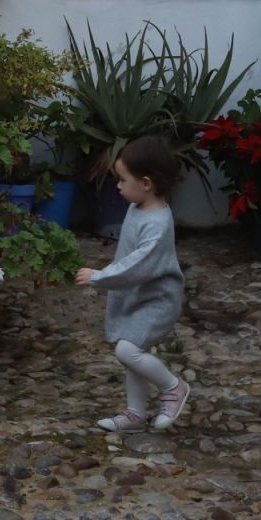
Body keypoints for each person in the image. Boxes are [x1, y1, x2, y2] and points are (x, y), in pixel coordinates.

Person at [75, 135, 190, 433]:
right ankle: (136, 414)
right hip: (137, 295)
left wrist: (99, 276)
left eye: (123, 180)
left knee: (128, 350)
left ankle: (174, 387)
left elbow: (138, 265)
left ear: (146, 183)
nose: (118, 185)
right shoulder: (137, 207)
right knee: (134, 355)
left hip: (157, 300)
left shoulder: (158, 225)